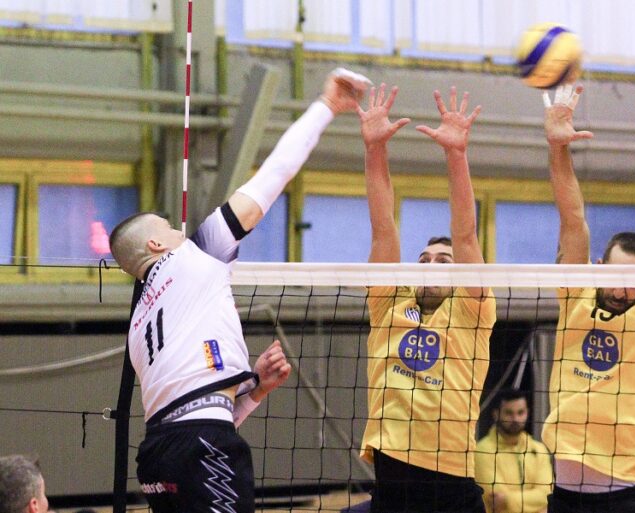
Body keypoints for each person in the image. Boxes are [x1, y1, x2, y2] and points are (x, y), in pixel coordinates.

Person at [108, 68, 366, 513]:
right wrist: (326, 106)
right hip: (200, 445)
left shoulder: (139, 328)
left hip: (159, 455)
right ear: (155, 245)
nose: (180, 231)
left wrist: (255, 389)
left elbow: (195, 409)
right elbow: (273, 176)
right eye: (169, 228)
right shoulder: (193, 257)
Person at [539, 83, 635, 512]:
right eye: (618, 274)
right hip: (568, 499)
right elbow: (572, 219)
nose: (625, 288)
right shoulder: (577, 294)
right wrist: (557, 147)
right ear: (599, 267)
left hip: (634, 496)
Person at [357, 83, 497, 512]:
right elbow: (382, 226)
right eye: (424, 259)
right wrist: (375, 148)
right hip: (391, 483)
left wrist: (456, 154)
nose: (431, 265)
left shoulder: (472, 309)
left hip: (450, 487)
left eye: (443, 261)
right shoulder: (390, 303)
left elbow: (466, 235)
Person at [475, 390, 553, 513]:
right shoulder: (482, 451)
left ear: (527, 413)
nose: (515, 419)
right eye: (509, 413)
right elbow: (495, 500)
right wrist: (535, 504)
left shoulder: (539, 450)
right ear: (496, 414)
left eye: (520, 412)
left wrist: (508, 500)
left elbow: (547, 494)